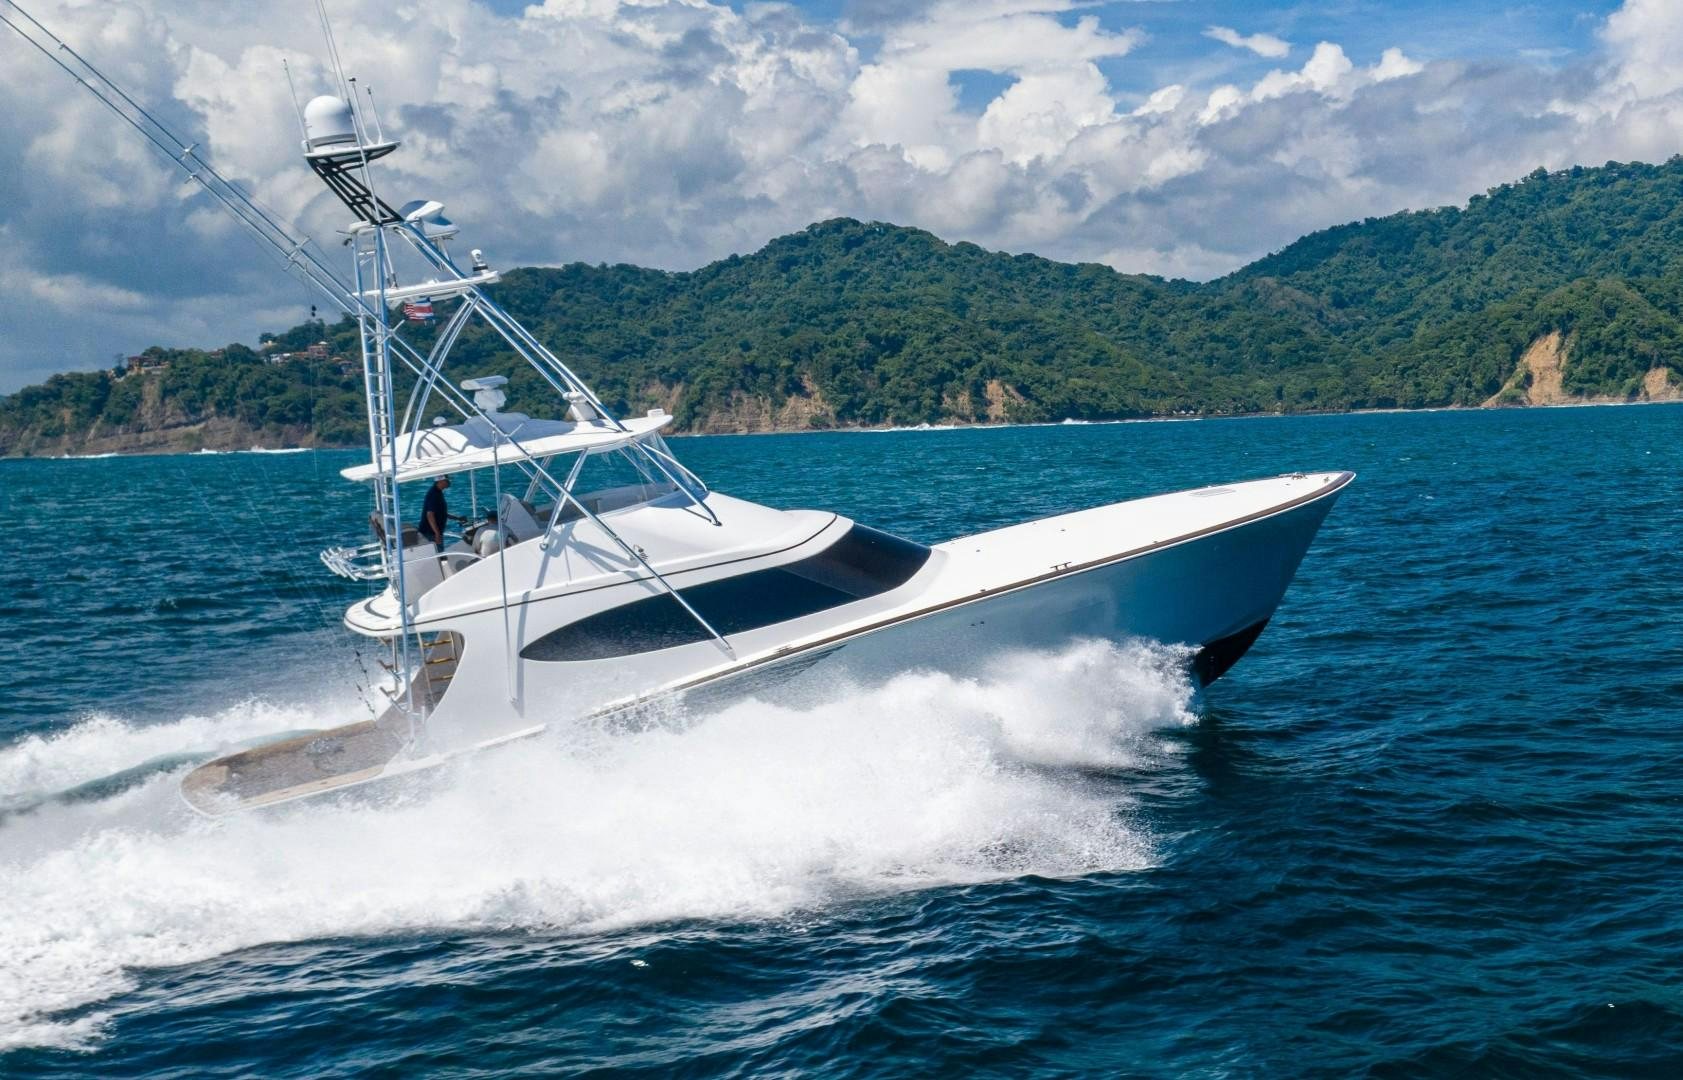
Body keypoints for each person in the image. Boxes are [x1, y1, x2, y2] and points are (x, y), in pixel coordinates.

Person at [418, 475, 462, 551]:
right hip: (430, 534)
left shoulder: (438, 492)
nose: (449, 482)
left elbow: (441, 513)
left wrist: (457, 518)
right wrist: (437, 533)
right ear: (440, 481)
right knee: (438, 556)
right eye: (447, 480)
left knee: (439, 555)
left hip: (433, 533)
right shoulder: (434, 494)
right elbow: (430, 515)